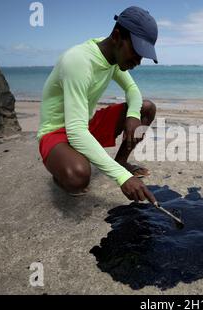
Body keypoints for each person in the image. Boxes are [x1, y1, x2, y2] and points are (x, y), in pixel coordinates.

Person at [36, 6, 158, 204]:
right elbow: (75, 131)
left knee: (147, 108)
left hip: (86, 123)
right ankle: (60, 170)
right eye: (136, 51)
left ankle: (121, 161)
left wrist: (133, 115)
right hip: (56, 132)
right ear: (117, 36)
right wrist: (121, 177)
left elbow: (133, 91)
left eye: (142, 55)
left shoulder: (112, 58)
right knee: (78, 177)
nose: (138, 61)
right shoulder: (78, 61)